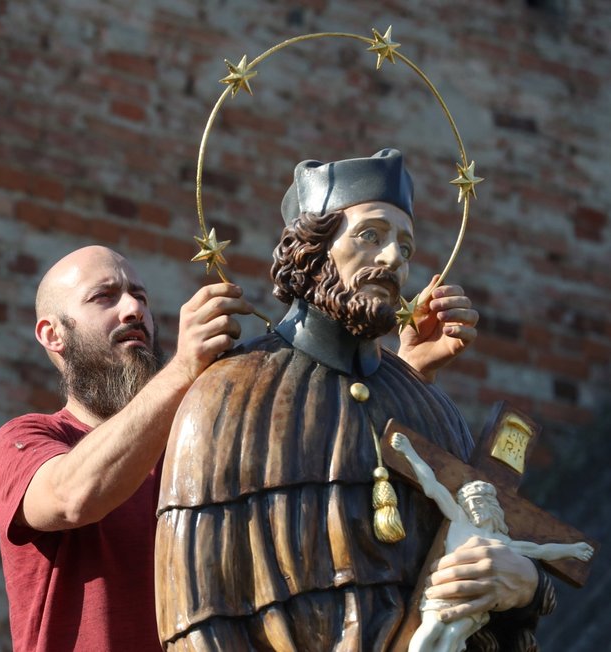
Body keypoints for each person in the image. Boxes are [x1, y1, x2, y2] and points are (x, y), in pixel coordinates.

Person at [0, 235, 476, 650]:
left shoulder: (199, 438)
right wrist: (182, 369)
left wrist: (405, 373)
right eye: (104, 298)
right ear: (53, 334)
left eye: (140, 295)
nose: (134, 309)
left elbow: (329, 477)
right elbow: (74, 498)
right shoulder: (27, 439)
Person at [155, 149, 551, 651]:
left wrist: (529, 590)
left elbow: (480, 585)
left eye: (405, 249)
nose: (393, 260)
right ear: (313, 247)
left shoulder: (434, 413)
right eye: (371, 236)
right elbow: (197, 618)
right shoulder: (229, 396)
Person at [391, 432, 594, 652]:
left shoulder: (501, 542)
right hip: (444, 594)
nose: (474, 507)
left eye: (478, 502)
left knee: (452, 638)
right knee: (429, 632)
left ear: (491, 506)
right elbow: (432, 487)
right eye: (469, 504)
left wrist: (572, 549)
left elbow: (541, 550)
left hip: (473, 604)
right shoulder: (459, 520)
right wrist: (408, 451)